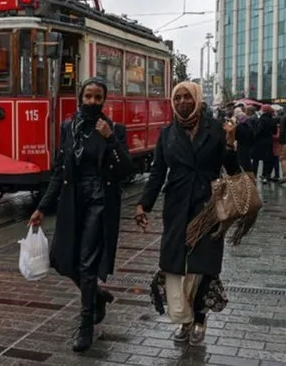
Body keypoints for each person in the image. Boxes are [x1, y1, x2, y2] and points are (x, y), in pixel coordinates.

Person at [28, 77, 133, 352]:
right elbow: (60, 170)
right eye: (88, 96)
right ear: (80, 98)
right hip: (73, 201)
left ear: (104, 100)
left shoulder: (113, 129)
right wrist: (41, 207)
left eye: (98, 98)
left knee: (87, 265)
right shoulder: (69, 128)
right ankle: (97, 296)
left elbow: (126, 170)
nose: (92, 102)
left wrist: (109, 139)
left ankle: (86, 324)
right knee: (61, 259)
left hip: (100, 201)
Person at [135, 81, 239, 347]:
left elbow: (234, 171)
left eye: (187, 97)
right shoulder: (167, 133)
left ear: (197, 99)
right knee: (176, 266)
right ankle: (184, 317)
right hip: (177, 207)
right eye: (178, 97)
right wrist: (143, 205)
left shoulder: (216, 129)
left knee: (203, 266)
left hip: (207, 207)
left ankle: (200, 318)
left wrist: (229, 145)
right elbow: (158, 173)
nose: (182, 102)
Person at [254, 105, 277, 183]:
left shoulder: (261, 120)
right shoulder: (272, 120)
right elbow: (275, 132)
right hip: (269, 141)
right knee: (267, 159)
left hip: (260, 142)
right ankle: (266, 175)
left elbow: (258, 131)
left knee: (256, 159)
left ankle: (255, 175)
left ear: (263, 111)